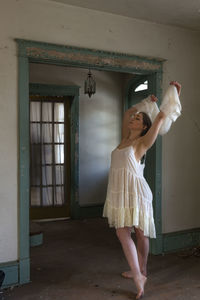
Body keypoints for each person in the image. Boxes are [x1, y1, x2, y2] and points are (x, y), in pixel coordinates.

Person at [103, 81, 181, 299]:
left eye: (137, 119)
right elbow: (129, 110)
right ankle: (138, 273)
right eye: (133, 118)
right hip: (120, 190)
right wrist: (146, 102)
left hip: (136, 191)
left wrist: (173, 94)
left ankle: (141, 273)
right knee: (122, 232)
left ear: (144, 126)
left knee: (139, 231)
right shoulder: (124, 139)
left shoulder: (142, 143)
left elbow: (160, 118)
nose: (133, 118)